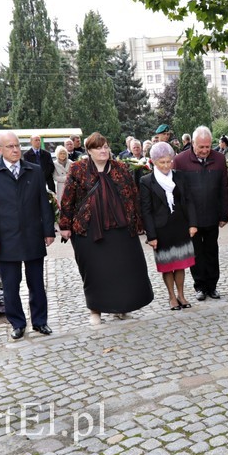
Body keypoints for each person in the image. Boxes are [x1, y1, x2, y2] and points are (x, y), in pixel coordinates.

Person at [59, 132, 154, 325]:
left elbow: (133, 196)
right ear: (89, 151)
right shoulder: (78, 169)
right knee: (95, 272)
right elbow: (68, 198)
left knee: (123, 270)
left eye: (105, 146)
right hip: (89, 229)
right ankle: (96, 310)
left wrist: (139, 224)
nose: (103, 150)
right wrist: (65, 226)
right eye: (98, 147)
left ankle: (122, 307)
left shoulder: (120, 168)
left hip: (120, 228)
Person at [0, 132, 55, 339]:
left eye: (17, 146)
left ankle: (40, 322)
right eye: (10, 146)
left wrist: (48, 230)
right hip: (5, 239)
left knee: (37, 283)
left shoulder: (34, 170)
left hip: (32, 236)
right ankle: (18, 324)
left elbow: (43, 203)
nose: (15, 150)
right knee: (11, 286)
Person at [173, 126, 228, 301]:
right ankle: (200, 287)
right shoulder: (180, 161)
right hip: (192, 218)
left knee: (212, 251)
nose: (205, 150)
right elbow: (177, 192)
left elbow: (224, 189)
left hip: (212, 215)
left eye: (208, 146)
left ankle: (212, 286)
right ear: (193, 144)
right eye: (201, 147)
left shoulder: (219, 159)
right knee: (196, 253)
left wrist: (224, 215)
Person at [140, 142, 198, 309]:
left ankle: (181, 295)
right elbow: (146, 210)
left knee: (180, 264)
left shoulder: (180, 176)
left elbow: (189, 201)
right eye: (162, 162)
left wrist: (193, 224)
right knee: (167, 265)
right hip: (161, 229)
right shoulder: (146, 181)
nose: (166, 165)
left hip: (180, 225)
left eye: (169, 161)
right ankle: (171, 297)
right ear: (154, 162)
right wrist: (151, 236)